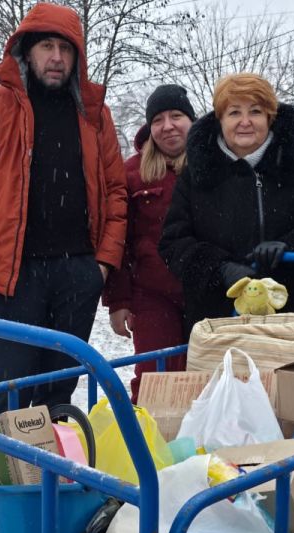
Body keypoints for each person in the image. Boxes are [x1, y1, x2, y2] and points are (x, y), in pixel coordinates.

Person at [0, 2, 126, 428]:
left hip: (78, 273)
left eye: (66, 48)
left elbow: (117, 193)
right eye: (47, 46)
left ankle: (50, 470)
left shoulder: (95, 114)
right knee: (8, 394)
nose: (57, 57)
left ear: (77, 56)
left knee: (59, 392)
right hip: (16, 276)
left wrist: (100, 266)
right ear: (26, 51)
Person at [159, 73, 294, 334]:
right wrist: (219, 269)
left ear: (269, 117)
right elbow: (174, 242)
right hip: (215, 320)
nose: (245, 122)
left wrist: (291, 249)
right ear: (220, 119)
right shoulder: (198, 172)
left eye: (255, 111)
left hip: (286, 316)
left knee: (282, 363)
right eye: (234, 112)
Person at [102, 84, 195, 402]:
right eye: (158, 120)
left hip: (206, 292)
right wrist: (118, 300)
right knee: (154, 383)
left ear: (191, 121)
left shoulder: (211, 165)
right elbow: (119, 240)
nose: (168, 126)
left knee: (205, 379)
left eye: (176, 116)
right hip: (152, 296)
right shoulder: (132, 173)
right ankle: (148, 433)